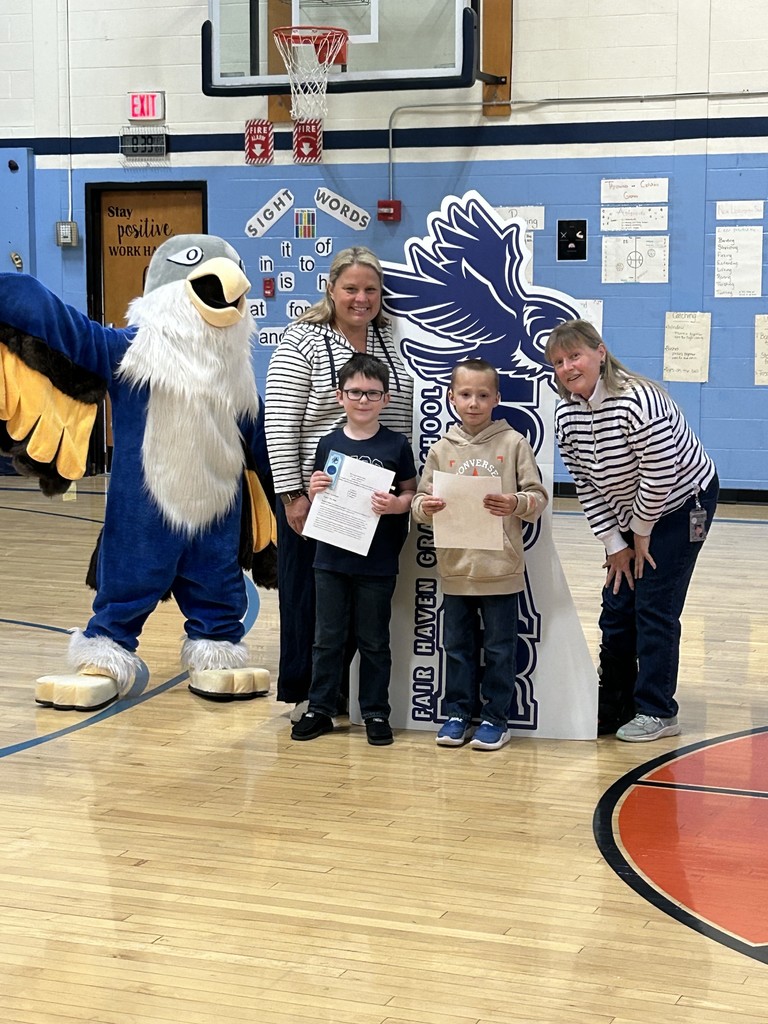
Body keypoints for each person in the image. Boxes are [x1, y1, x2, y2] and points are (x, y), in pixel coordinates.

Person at [545, 319, 719, 742]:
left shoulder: (637, 400)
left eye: (575, 356)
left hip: (681, 504)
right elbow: (585, 484)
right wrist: (614, 544)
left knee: (655, 604)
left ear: (599, 353)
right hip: (628, 509)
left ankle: (658, 710)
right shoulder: (566, 414)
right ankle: (615, 702)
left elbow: (660, 474)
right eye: (559, 362)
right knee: (618, 603)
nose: (568, 367)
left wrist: (640, 533)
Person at [264, 247, 413, 720]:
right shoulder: (302, 339)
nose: (361, 298)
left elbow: (405, 412)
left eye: (370, 289)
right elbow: (281, 421)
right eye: (351, 288)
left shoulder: (391, 337)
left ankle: (350, 694)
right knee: (313, 599)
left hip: (377, 500)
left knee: (366, 604)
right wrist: (293, 495)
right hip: (320, 495)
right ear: (331, 289)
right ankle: (311, 695)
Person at [411, 358, 548, 751]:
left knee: (501, 648)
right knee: (456, 647)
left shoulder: (513, 443)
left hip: (500, 568)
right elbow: (419, 503)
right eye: (466, 394)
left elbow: (538, 497)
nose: (474, 403)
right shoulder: (440, 451)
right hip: (455, 569)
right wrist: (426, 509)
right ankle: (456, 713)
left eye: (483, 395)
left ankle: (496, 718)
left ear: (497, 398)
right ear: (451, 397)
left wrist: (515, 502)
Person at [290, 353, 417, 745]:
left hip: (377, 560)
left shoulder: (397, 444)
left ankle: (376, 712)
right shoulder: (329, 442)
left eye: (372, 393)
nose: (363, 400)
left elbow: (411, 491)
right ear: (339, 396)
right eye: (355, 392)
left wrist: (397, 504)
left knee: (374, 639)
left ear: (386, 398)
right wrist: (313, 490)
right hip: (330, 556)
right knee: (327, 638)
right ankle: (320, 708)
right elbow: (320, 487)